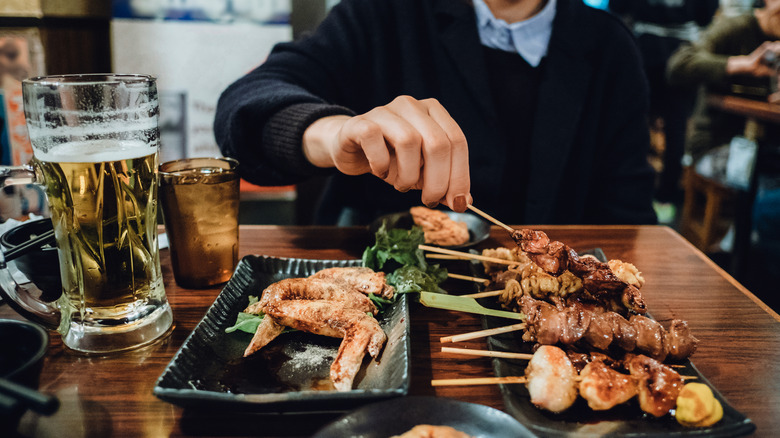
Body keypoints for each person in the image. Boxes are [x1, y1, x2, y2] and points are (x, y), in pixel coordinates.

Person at [215, 0, 658, 226]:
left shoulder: (609, 47)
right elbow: (245, 105)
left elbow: (630, 216)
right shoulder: (384, 14)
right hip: (386, 306)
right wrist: (333, 133)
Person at [609, 0, 719, 216]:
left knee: (634, 123)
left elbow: (618, 6)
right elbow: (706, 15)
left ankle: (630, 195)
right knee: (675, 128)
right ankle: (664, 198)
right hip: (680, 49)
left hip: (646, 49)